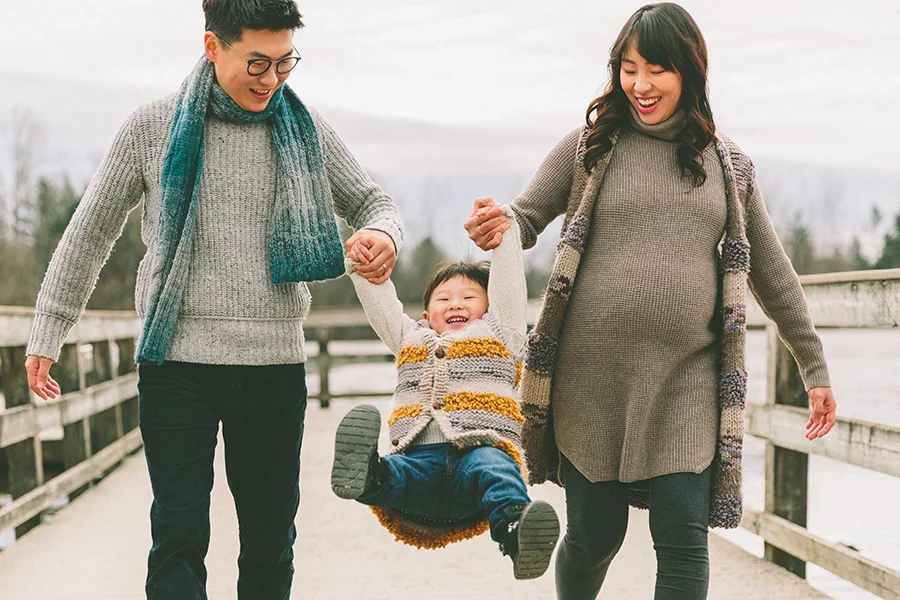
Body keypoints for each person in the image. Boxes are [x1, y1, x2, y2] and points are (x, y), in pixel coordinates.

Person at [23, 1, 403, 598]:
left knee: (270, 540)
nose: (271, 79)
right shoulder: (150, 127)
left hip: (273, 367)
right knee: (177, 534)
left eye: (284, 63)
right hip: (175, 364)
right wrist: (49, 328)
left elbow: (374, 202)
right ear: (212, 46)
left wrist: (383, 234)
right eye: (256, 62)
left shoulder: (304, 130)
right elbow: (90, 232)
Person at [465, 3, 837, 599]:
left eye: (656, 69)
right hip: (592, 385)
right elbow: (524, 216)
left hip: (685, 383)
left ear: (690, 73)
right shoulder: (591, 146)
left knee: (683, 537)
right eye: (627, 68)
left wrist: (813, 363)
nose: (639, 85)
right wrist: (497, 222)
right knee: (594, 535)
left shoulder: (728, 167)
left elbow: (772, 271)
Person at [330, 207, 560, 580]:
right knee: (396, 475)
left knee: (497, 470)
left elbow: (509, 289)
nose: (455, 303)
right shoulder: (409, 338)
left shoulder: (501, 334)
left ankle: (516, 534)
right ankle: (367, 476)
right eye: (444, 299)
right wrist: (362, 263)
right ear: (425, 314)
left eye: (469, 297)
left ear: (489, 309)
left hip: (478, 453)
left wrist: (504, 239)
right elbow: (381, 303)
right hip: (419, 460)